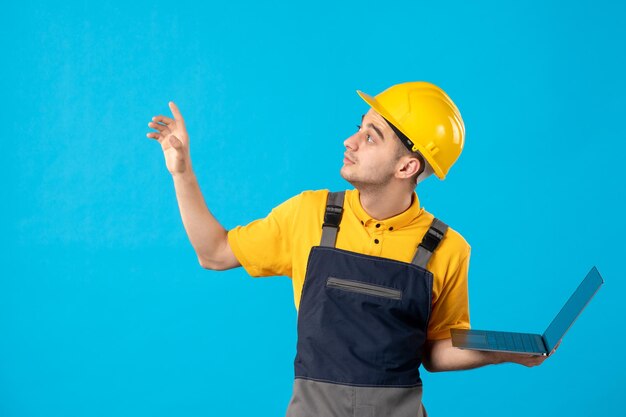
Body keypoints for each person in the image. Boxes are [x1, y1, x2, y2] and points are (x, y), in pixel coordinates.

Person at [147, 82, 556, 417]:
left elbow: (436, 351)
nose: (350, 140)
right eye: (359, 127)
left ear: (407, 167)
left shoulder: (448, 248)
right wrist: (182, 172)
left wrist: (506, 354)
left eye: (370, 136)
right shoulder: (309, 214)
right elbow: (214, 252)